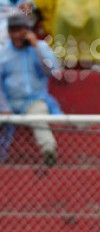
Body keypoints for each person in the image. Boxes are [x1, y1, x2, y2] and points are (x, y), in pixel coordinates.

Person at [0, 12, 61, 166]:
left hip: (34, 99)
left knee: (38, 116)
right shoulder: (3, 54)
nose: (17, 34)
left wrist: (36, 49)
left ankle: (49, 152)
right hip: (9, 100)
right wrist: (4, 106)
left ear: (28, 31)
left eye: (21, 30)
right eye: (13, 30)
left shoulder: (41, 48)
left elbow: (51, 71)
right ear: (9, 32)